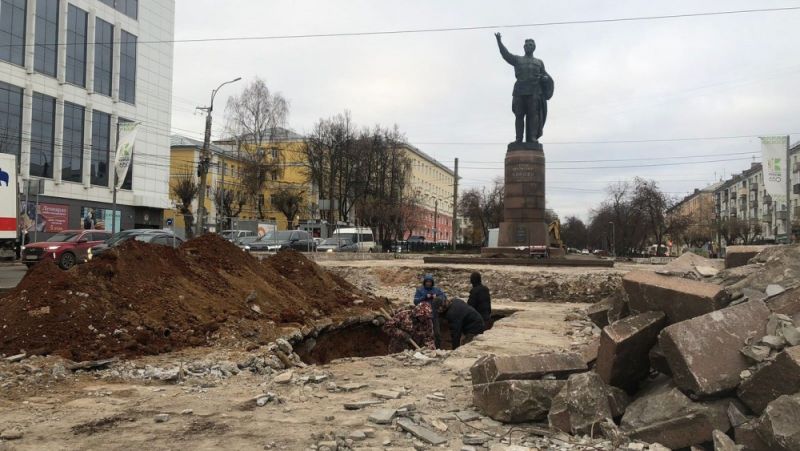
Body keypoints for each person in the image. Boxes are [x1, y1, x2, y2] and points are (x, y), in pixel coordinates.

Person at [413, 274, 447, 348]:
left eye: (430, 282)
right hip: (424, 317)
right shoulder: (420, 290)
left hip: (434, 315)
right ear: (424, 282)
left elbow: (444, 296)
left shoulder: (436, 290)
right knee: (424, 334)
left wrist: (437, 297)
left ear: (432, 282)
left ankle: (438, 349)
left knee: (437, 333)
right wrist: (424, 297)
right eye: (427, 282)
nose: (428, 283)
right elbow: (415, 301)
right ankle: (423, 348)